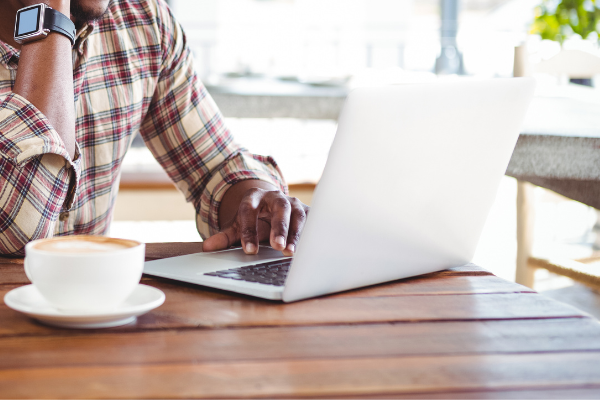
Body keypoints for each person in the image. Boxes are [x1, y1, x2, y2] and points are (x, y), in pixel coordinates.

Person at [0, 0, 309, 256]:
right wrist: (49, 18)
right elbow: (17, 235)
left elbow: (215, 167)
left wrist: (259, 207)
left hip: (98, 309)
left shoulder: (141, 21)